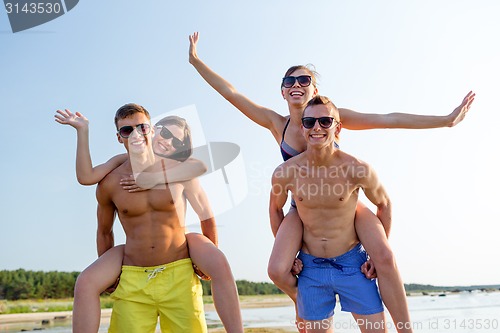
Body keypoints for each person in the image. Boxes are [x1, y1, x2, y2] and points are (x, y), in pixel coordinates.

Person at [188, 31, 475, 333]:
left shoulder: (332, 115)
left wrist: (445, 120)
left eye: (304, 80)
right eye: (290, 81)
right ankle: (305, 301)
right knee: (277, 268)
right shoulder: (277, 123)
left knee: (386, 257)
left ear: (315, 89)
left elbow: (388, 118)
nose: (297, 85)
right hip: (301, 205)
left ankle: (405, 329)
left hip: (343, 200)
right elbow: (231, 93)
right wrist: (196, 61)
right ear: (282, 91)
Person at [55, 106, 243, 332]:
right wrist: (112, 276)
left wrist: (205, 262)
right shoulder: (111, 181)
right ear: (119, 137)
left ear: (151, 130)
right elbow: (104, 231)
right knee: (84, 282)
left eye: (142, 127)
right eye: (127, 130)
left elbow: (206, 213)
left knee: (217, 259)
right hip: (134, 273)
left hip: (178, 268)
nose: (136, 134)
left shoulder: (179, 171)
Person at [270, 95, 391, 333]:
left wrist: (375, 256)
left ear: (338, 127)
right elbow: (275, 209)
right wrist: (289, 254)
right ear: (302, 128)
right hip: (310, 269)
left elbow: (384, 204)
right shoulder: (284, 173)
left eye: (325, 121)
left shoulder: (357, 168)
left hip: (353, 264)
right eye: (310, 122)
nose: (317, 127)